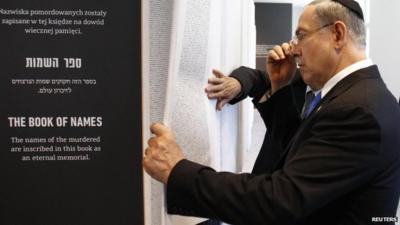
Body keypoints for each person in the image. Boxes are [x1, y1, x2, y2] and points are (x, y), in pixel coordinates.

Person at [143, 0, 400, 224]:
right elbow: (299, 155)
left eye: (301, 35)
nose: (294, 48)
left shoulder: (358, 109)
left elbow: (280, 200)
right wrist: (279, 87)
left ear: (337, 34)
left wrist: (178, 171)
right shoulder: (355, 95)